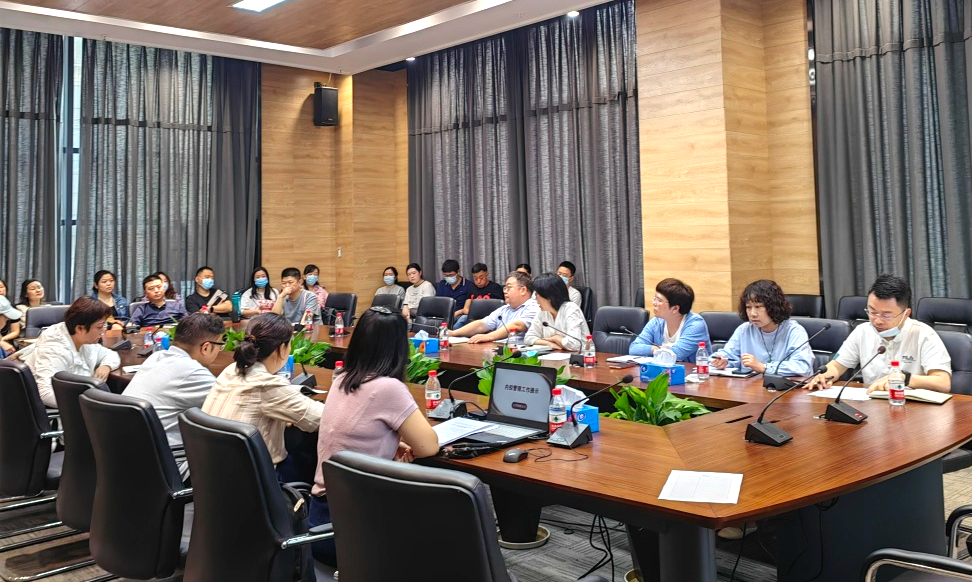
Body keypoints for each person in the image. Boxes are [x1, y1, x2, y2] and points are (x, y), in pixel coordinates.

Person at [309, 306, 439, 566]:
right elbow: (428, 447)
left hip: (321, 524)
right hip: (359, 533)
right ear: (399, 348)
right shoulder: (388, 388)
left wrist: (391, 441)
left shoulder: (342, 378)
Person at [202, 313, 324, 482]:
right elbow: (323, 419)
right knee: (308, 451)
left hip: (213, 474)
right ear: (281, 349)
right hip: (252, 480)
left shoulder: (231, 369)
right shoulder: (267, 385)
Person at [807, 274, 951, 393]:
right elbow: (836, 366)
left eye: (886, 315)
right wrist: (825, 376)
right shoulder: (863, 331)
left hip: (913, 407)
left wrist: (904, 378)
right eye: (872, 312)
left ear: (906, 314)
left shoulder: (923, 334)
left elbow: (943, 382)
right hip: (873, 407)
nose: (877, 320)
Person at [124, 312, 225, 450]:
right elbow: (228, 403)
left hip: (129, 449)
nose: (219, 351)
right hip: (165, 456)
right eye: (220, 345)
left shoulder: (156, 357)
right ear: (206, 347)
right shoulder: (192, 371)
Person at [21, 297, 120, 409]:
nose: (104, 331)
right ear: (80, 328)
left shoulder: (84, 340)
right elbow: (46, 394)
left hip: (81, 400)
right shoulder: (53, 349)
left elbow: (111, 355)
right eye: (100, 326)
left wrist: (106, 366)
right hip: (64, 409)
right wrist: (87, 405)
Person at [710, 280, 814, 377]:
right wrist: (721, 362)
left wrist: (764, 367)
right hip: (751, 387)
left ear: (774, 307)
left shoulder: (794, 331)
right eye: (748, 307)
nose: (752, 314)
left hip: (786, 388)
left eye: (758, 307)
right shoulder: (744, 330)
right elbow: (728, 356)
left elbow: (802, 367)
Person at [629, 278, 711, 362]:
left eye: (659, 300)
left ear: (675, 308)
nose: (654, 302)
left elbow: (675, 355)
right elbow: (634, 348)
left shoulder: (696, 325)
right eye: (655, 298)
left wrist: (659, 351)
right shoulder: (657, 321)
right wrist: (656, 349)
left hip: (692, 370)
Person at [452, 271, 540, 344]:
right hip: (497, 349)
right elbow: (482, 324)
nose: (505, 291)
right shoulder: (504, 309)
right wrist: (453, 333)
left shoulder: (534, 306)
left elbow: (517, 326)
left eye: (509, 287)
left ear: (523, 290)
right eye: (505, 288)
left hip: (517, 354)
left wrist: (489, 336)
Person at [524, 273, 590, 352]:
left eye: (537, 294)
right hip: (555, 355)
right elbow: (528, 338)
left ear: (548, 296)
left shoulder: (571, 309)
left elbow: (574, 345)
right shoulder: (542, 311)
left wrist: (555, 338)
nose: (535, 298)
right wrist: (549, 343)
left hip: (581, 357)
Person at [453, 263, 505, 329]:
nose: (478, 281)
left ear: (487, 274)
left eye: (481, 278)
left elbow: (500, 309)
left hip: (490, 317)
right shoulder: (471, 288)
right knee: (460, 321)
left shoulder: (495, 288)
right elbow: (466, 309)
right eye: (475, 278)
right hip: (474, 317)